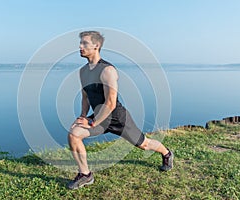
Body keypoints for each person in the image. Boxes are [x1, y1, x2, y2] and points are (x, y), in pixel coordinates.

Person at [67, 31, 173, 190]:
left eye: (84, 43)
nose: (80, 46)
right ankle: (85, 174)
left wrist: (92, 122)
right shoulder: (83, 72)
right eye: (80, 43)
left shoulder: (108, 71)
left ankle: (166, 153)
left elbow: (110, 103)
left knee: (143, 144)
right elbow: (85, 97)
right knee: (74, 134)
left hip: (116, 117)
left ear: (96, 46)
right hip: (97, 117)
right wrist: (83, 116)